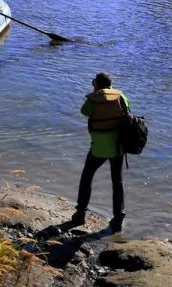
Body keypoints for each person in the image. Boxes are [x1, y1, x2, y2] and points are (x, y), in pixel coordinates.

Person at [69, 72, 129, 233]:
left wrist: (96, 93)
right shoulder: (121, 97)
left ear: (96, 84)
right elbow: (127, 111)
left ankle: (80, 214)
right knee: (117, 181)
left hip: (98, 148)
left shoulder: (92, 101)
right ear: (111, 85)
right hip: (118, 147)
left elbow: (84, 112)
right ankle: (118, 219)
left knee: (87, 177)